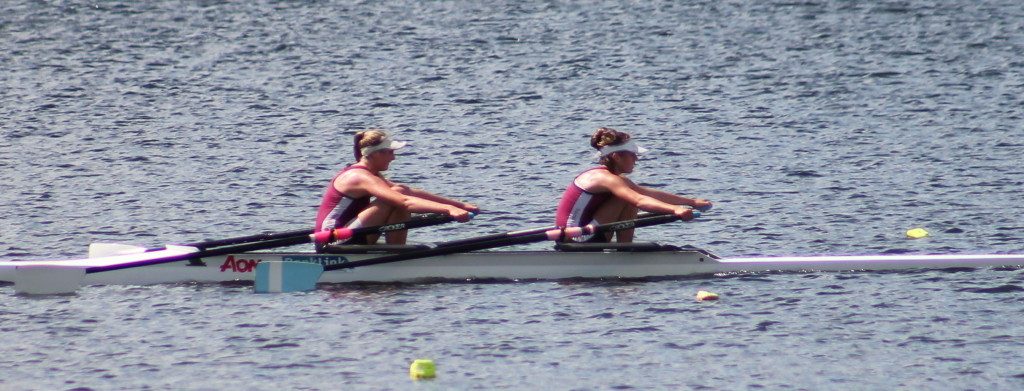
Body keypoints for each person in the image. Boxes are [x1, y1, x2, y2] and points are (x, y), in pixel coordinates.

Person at [315, 130, 477, 249]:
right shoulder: (359, 177)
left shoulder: (370, 173)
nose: (394, 157)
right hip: (333, 241)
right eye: (390, 152)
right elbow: (404, 202)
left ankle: (397, 251)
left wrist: (460, 206)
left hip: (348, 234)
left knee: (398, 191)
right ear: (376, 154)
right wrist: (448, 210)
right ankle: (397, 253)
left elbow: (406, 192)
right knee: (396, 197)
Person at [555, 127, 712, 243]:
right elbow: (640, 201)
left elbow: (647, 194)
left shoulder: (612, 178)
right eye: (633, 156)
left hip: (584, 232)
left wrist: (691, 202)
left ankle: (625, 248)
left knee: (630, 194)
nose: (636, 160)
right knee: (627, 198)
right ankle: (625, 251)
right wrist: (675, 210)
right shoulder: (606, 179)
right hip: (575, 237)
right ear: (616, 156)